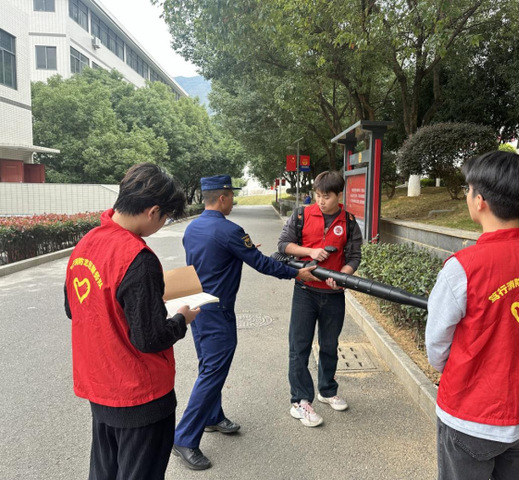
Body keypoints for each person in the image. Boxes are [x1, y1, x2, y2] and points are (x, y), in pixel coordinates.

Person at [425, 151, 519, 480]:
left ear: (480, 201)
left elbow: (436, 343)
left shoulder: (463, 268)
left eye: (468, 189)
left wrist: (459, 371)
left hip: (470, 415)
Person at [63, 163, 200, 480]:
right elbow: (150, 339)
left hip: (101, 388)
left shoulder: (86, 244)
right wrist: (182, 318)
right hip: (140, 395)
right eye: (165, 217)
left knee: (105, 472)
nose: (162, 224)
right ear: (153, 211)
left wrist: (142, 301)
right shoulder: (137, 257)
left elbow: (74, 308)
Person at [172, 174, 317, 470]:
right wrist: (296, 273)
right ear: (222, 198)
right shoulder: (229, 230)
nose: (233, 201)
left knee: (208, 366)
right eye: (231, 196)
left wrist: (239, 251)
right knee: (212, 371)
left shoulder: (193, 227)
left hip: (196, 306)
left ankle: (212, 417)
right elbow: (262, 263)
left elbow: (210, 259)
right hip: (217, 312)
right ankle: (184, 438)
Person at [277, 170, 363, 427]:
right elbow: (284, 245)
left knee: (329, 345)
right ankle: (301, 400)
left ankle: (327, 390)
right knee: (299, 346)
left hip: (333, 295)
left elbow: (354, 256)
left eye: (327, 196)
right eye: (318, 195)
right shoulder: (301, 215)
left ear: (339, 195)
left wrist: (343, 275)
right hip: (305, 291)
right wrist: (311, 251)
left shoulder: (349, 221)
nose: (321, 201)